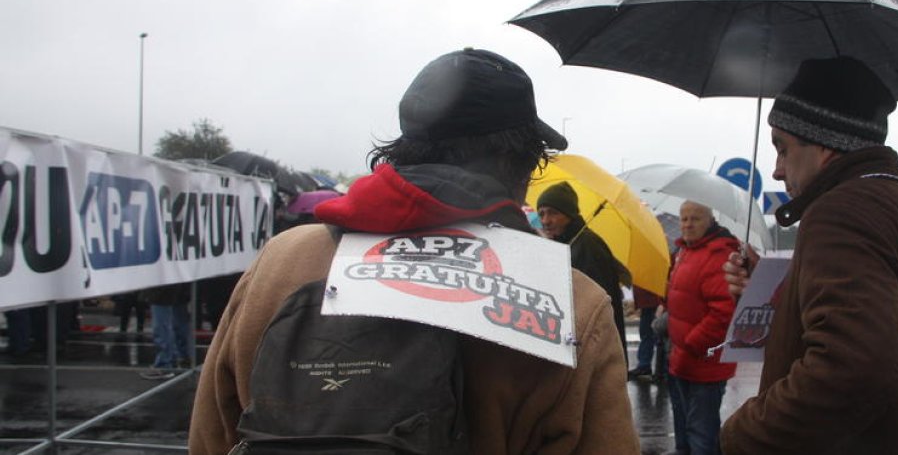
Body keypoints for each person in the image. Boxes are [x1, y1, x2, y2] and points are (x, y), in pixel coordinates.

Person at [190, 48, 638, 454]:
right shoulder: (570, 301)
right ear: (517, 162)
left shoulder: (280, 262)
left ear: (405, 148)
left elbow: (211, 438)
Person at [719, 57, 898, 455]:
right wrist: (768, 297)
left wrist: (743, 433)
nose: (778, 170)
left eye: (783, 148)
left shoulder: (841, 212)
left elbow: (857, 368)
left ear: (822, 145)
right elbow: (891, 326)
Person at [665, 200, 739, 455]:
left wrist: (690, 344)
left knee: (701, 435)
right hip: (681, 358)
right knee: (685, 429)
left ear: (710, 221)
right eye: (684, 218)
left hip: (702, 362)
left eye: (695, 218)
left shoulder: (718, 254)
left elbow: (724, 312)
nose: (687, 224)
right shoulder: (685, 252)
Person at [537, 181, 629, 367]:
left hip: (594, 351)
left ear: (569, 215)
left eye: (553, 213)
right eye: (542, 213)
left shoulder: (587, 246)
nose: (546, 220)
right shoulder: (568, 243)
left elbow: (593, 308)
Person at [141, 283, 191, 379]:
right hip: (180, 284)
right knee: (178, 322)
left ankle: (164, 364)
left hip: (162, 287)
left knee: (162, 326)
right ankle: (180, 356)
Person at [628, 284, 664, 381]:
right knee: (649, 334)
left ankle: (649, 367)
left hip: (651, 300)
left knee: (650, 334)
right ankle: (650, 367)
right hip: (648, 301)